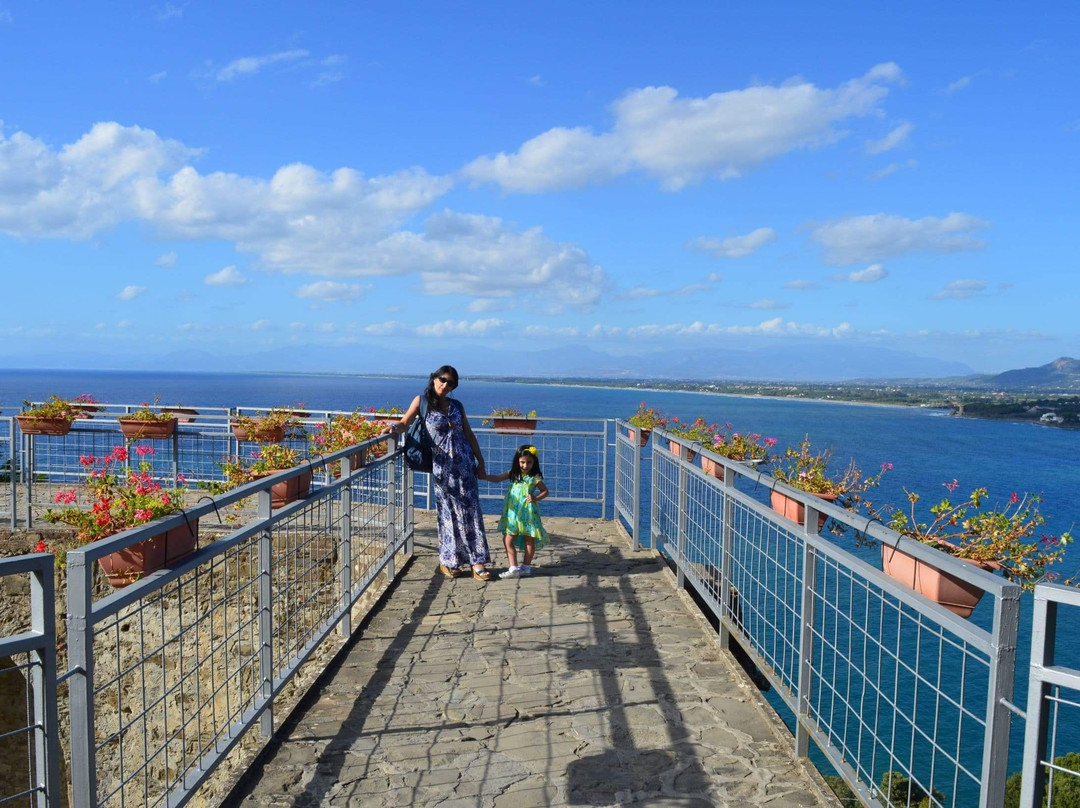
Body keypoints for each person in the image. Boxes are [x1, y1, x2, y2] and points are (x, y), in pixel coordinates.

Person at [383, 366, 493, 580]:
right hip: (443, 468)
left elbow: (469, 434)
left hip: (465, 466)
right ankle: (450, 560)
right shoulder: (422, 402)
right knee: (448, 513)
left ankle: (477, 561)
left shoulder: (457, 405)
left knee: (471, 511)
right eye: (442, 379)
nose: (445, 385)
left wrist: (480, 461)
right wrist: (393, 428)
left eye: (450, 383)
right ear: (434, 379)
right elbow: (405, 423)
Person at [485, 444, 549, 579]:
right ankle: (513, 567)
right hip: (513, 514)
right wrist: (484, 476)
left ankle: (526, 567)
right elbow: (497, 478)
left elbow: (545, 491)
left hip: (528, 513)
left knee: (529, 540)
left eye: (529, 462)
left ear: (534, 463)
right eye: (522, 462)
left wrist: (535, 498)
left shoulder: (534, 477)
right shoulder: (513, 473)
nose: (525, 466)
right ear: (517, 461)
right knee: (508, 539)